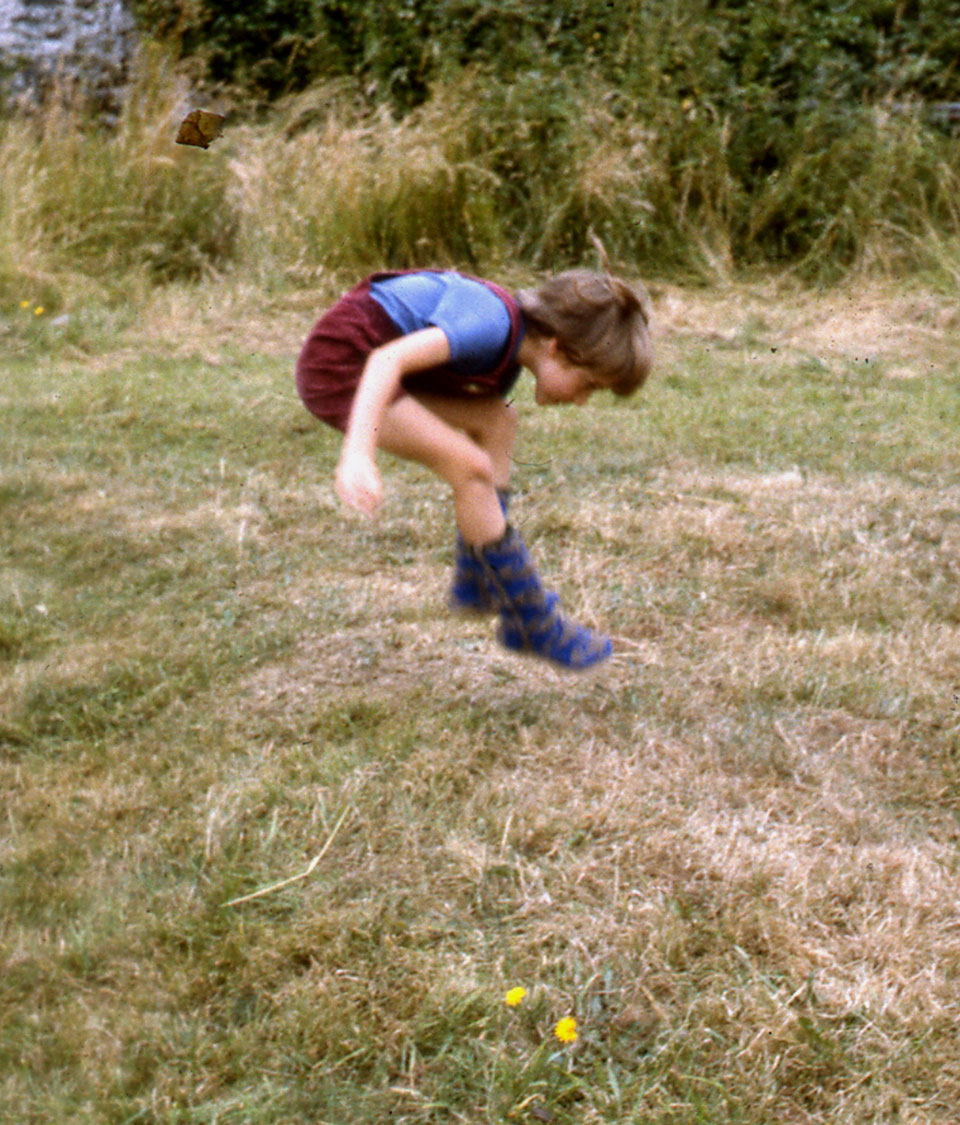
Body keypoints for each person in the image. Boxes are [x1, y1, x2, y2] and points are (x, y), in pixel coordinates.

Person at [295, 262, 653, 670]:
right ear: (557, 347)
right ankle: (530, 618)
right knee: (469, 466)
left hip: (378, 367)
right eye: (588, 384)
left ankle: (477, 571)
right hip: (343, 366)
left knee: (498, 418)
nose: (583, 400)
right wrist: (358, 453)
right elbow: (384, 361)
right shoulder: (490, 324)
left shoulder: (508, 353)